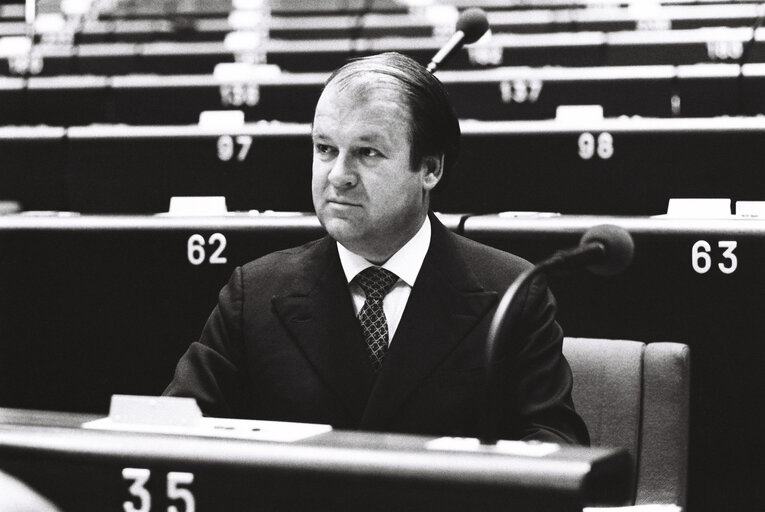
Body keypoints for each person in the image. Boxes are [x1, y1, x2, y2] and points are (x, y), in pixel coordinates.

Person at [165, 52, 589, 445]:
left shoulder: (513, 293)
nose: (338, 176)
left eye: (366, 153)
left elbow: (555, 446)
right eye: (325, 149)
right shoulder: (253, 293)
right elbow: (172, 431)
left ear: (430, 168)